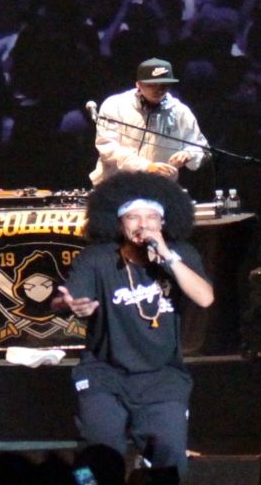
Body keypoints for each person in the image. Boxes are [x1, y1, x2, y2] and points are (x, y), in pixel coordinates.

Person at [54, 171, 215, 478]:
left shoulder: (181, 254)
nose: (143, 224)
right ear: (119, 223)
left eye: (152, 217)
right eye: (133, 217)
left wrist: (167, 256)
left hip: (162, 375)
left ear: (163, 222)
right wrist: (69, 304)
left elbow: (205, 298)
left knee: (170, 452)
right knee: (95, 457)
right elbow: (67, 298)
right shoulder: (97, 258)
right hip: (104, 373)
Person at [89, 59, 208, 185]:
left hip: (160, 186)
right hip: (116, 185)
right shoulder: (115, 105)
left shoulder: (180, 111)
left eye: (164, 85)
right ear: (138, 84)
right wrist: (146, 167)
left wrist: (188, 154)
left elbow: (200, 146)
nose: (158, 90)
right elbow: (108, 147)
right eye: (152, 85)